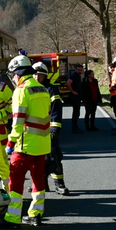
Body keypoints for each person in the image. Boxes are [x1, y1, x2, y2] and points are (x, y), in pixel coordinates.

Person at [0, 54, 51, 229]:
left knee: (16, 181)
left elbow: (18, 121)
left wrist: (10, 144)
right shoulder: (42, 89)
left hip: (24, 145)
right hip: (42, 144)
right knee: (38, 180)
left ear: (17, 74)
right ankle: (36, 214)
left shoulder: (21, 90)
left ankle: (13, 218)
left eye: (13, 75)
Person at [33, 62, 70, 196]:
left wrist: (54, 129)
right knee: (37, 159)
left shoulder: (51, 89)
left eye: (40, 75)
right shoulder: (30, 89)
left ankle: (59, 185)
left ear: (45, 76)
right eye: (35, 74)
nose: (37, 77)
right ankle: (41, 185)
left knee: (54, 157)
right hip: (34, 131)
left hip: (48, 130)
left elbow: (56, 111)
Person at [66, 63, 84, 134]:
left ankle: (75, 127)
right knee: (76, 112)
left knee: (77, 112)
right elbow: (68, 83)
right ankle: (74, 127)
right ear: (75, 70)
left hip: (77, 97)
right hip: (75, 97)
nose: (80, 71)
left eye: (81, 70)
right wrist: (73, 91)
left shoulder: (78, 76)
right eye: (78, 70)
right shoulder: (74, 76)